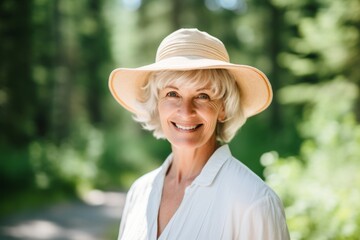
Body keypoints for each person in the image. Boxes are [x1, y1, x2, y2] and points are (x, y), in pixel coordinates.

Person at [109, 28, 290, 240]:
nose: (186, 111)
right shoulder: (139, 192)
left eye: (203, 95)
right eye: (172, 93)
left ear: (223, 108)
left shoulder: (254, 202)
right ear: (157, 103)